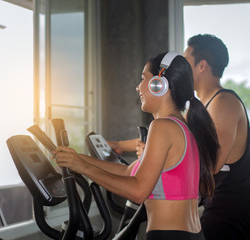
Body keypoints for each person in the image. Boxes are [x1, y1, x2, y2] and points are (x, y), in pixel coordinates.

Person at [54, 51, 219, 240]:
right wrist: (77, 159)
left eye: (143, 78)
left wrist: (82, 167)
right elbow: (127, 172)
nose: (138, 87)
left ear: (159, 84)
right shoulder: (183, 128)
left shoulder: (162, 127)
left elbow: (138, 191)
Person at [184, 34, 250, 240]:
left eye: (186, 62)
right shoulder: (200, 107)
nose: (182, 69)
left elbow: (212, 162)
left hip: (232, 208)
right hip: (216, 203)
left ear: (202, 65)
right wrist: (120, 146)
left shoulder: (224, 102)